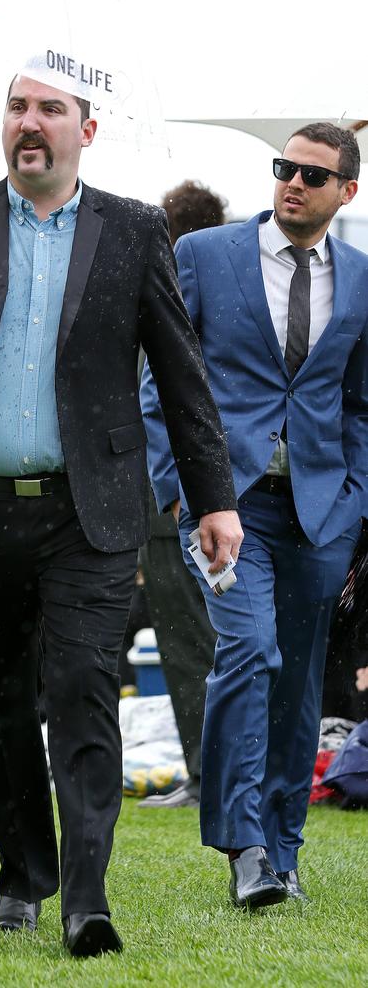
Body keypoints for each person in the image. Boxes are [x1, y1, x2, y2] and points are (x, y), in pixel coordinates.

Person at [0, 71, 242, 956]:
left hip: (90, 512)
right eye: (16, 109)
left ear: (87, 127)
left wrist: (213, 498)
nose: (28, 125)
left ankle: (85, 897)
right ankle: (20, 878)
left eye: (49, 110)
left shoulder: (137, 229)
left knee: (81, 694)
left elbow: (183, 376)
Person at [142, 123, 368, 908]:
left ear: (347, 191)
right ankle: (242, 847)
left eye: (313, 174)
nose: (293, 183)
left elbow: (359, 404)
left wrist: (354, 499)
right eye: (284, 169)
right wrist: (181, 487)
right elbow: (162, 376)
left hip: (319, 514)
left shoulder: (364, 279)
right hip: (221, 507)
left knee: (301, 684)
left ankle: (284, 849)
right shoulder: (207, 255)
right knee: (250, 651)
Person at [138, 181, 227, 810]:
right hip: (221, 496)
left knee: (189, 643)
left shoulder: (177, 294)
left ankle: (206, 776)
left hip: (177, 504)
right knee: (225, 642)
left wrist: (171, 490)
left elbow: (163, 399)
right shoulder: (231, 293)